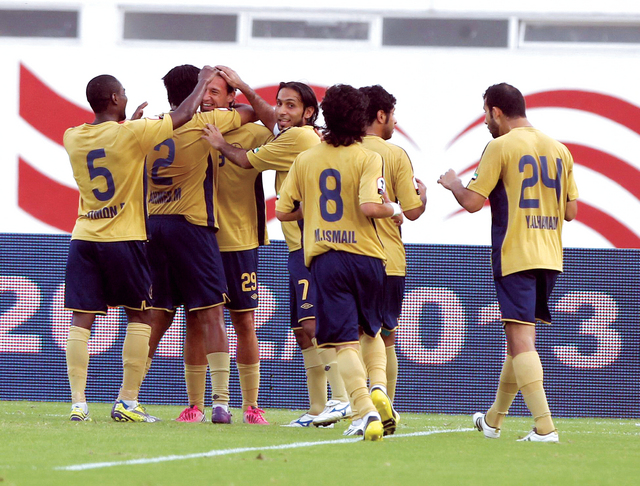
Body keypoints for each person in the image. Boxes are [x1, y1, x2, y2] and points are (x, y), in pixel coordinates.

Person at [63, 66, 216, 422]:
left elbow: (112, 146)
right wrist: (202, 81)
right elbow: (184, 113)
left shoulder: (73, 136)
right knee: (141, 314)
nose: (127, 97)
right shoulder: (132, 133)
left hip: (83, 237)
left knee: (81, 319)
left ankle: (78, 403)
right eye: (124, 93)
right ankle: (127, 402)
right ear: (115, 98)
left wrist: (128, 125)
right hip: (124, 239)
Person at [203, 67, 351, 428]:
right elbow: (270, 120)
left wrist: (220, 143)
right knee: (303, 330)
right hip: (300, 247)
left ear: (309, 112)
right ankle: (319, 409)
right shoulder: (297, 134)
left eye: (290, 105)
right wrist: (244, 88)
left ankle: (341, 399)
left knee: (314, 326)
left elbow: (244, 159)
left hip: (314, 247)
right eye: (279, 103)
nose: (281, 111)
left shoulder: (298, 138)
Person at [437, 82, 579, 443]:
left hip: (516, 253)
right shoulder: (559, 149)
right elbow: (571, 211)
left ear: (496, 111)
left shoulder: (500, 146)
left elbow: (472, 202)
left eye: (486, 113)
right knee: (518, 342)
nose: (486, 121)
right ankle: (493, 420)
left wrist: (454, 184)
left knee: (521, 342)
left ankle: (545, 427)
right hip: (550, 256)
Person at [275, 84, 402, 441]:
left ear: (326, 115)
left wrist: (311, 211)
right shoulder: (367, 157)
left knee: (344, 343)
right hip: (368, 256)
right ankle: (379, 388)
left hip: (327, 259)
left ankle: (364, 410)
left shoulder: (307, 158)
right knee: (371, 332)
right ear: (361, 118)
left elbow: (283, 210)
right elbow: (370, 206)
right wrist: (393, 208)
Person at [154, 70, 274, 424]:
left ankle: (251, 405)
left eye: (215, 91)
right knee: (195, 320)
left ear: (231, 97)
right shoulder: (185, 127)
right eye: (202, 90)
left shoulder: (253, 132)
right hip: (195, 238)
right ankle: (195, 404)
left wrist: (248, 88)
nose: (206, 97)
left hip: (237, 239)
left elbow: (282, 130)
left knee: (244, 321)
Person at [338, 84, 427, 435]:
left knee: (350, 339)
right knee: (385, 336)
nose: (395, 122)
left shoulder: (343, 150)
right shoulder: (395, 154)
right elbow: (413, 211)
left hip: (346, 255)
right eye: (393, 115)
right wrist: (422, 197)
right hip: (389, 259)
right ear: (380, 115)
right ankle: (385, 402)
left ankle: (361, 411)